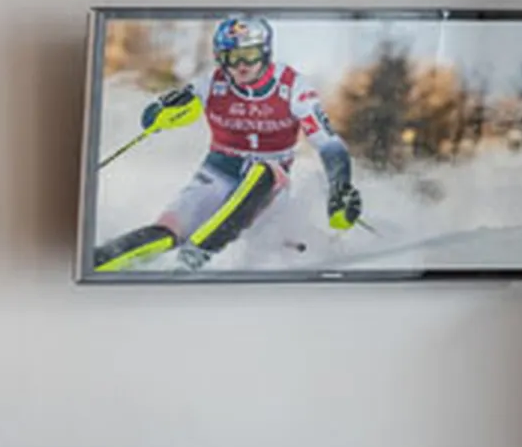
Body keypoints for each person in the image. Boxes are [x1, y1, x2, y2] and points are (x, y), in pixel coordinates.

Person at [92, 14, 363, 273]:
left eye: (250, 55)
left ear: (265, 52)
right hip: (217, 174)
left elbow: (329, 144)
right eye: (232, 57)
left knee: (266, 171)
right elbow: (151, 118)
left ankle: (197, 253)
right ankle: (99, 259)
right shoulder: (211, 83)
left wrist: (340, 186)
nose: (241, 65)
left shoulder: (293, 86)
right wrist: (162, 110)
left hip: (270, 186)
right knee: (167, 231)